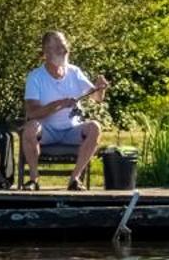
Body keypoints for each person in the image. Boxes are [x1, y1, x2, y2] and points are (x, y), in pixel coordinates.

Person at [21, 30, 109, 190]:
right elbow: (32, 112)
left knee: (95, 127)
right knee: (29, 128)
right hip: (46, 131)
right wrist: (59, 104)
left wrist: (100, 88)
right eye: (59, 46)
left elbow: (96, 98)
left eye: (65, 45)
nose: (65, 50)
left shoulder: (74, 72)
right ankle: (34, 179)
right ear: (46, 52)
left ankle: (74, 179)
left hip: (72, 130)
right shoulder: (35, 77)